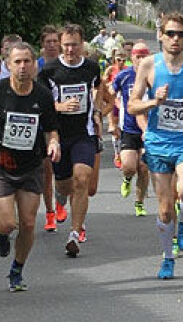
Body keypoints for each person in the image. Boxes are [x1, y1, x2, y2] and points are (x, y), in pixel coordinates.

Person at [128, 13, 183, 279]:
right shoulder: (148, 65)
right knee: (166, 210)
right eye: (170, 34)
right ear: (161, 36)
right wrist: (153, 102)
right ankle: (168, 258)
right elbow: (133, 105)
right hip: (158, 143)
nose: (175, 39)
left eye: (180, 34)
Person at [0, 41, 60, 292]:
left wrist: (53, 144)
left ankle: (17, 270)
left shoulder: (42, 95)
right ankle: (2, 233)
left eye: (27, 61)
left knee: (28, 224)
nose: (22, 67)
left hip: (31, 166)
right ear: (8, 65)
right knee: (8, 223)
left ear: (34, 65)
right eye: (17, 62)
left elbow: (51, 129)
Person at [38, 23, 111, 258]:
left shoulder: (90, 68)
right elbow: (41, 104)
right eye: (67, 45)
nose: (70, 50)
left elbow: (99, 89)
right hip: (59, 136)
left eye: (75, 45)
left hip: (84, 134)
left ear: (82, 44)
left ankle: (74, 233)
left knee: (83, 179)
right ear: (61, 44)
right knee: (65, 186)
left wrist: (98, 112)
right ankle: (60, 197)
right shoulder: (49, 71)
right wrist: (59, 106)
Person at [109, 41, 151, 216]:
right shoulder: (124, 76)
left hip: (150, 129)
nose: (140, 60)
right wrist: (112, 120)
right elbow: (109, 96)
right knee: (129, 166)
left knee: (143, 167)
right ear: (132, 57)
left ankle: (139, 202)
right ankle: (127, 177)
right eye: (137, 56)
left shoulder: (155, 76)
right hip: (129, 128)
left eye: (144, 56)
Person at [35, 25, 62, 231]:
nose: (52, 45)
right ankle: (50, 212)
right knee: (47, 170)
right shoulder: (36, 67)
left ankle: (61, 200)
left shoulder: (69, 64)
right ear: (42, 45)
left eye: (55, 41)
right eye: (48, 42)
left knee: (65, 171)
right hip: (43, 125)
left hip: (67, 125)